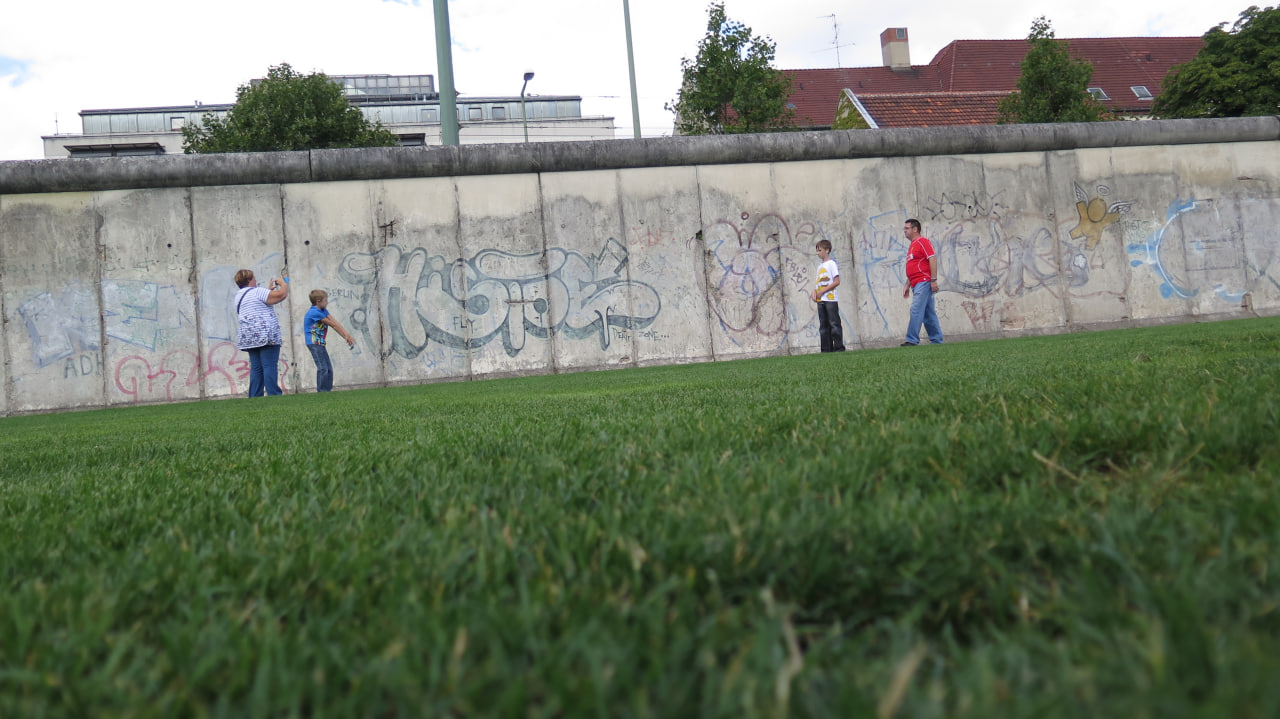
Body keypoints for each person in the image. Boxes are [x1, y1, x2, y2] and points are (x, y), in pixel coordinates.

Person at [233, 269, 288, 396]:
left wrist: (269, 291)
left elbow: (259, 304)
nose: (256, 280)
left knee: (257, 368)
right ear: (249, 280)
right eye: (254, 278)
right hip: (265, 334)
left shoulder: (238, 296)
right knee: (269, 365)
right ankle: (274, 394)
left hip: (249, 337)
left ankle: (255, 396)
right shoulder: (257, 291)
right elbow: (281, 295)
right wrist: (283, 283)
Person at [303, 289, 357, 392]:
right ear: (318, 301)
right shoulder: (314, 312)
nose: (327, 303)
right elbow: (333, 325)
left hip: (320, 343)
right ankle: (322, 391)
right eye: (325, 301)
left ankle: (327, 390)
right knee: (323, 368)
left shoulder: (323, 310)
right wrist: (346, 336)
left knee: (328, 368)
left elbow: (335, 322)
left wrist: (347, 335)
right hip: (314, 343)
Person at [901, 218, 944, 346]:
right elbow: (914, 266)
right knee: (928, 313)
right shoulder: (913, 245)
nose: (905, 231)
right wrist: (907, 284)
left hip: (924, 281)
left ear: (915, 229)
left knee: (916, 309)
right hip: (916, 283)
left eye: (907, 228)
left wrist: (933, 280)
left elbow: (932, 259)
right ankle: (936, 340)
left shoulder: (922, 242)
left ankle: (912, 339)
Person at [810, 239, 845, 352]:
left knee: (834, 324)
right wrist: (815, 292)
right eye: (817, 250)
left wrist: (823, 291)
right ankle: (826, 349)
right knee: (823, 326)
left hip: (830, 299)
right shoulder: (820, 267)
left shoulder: (831, 264)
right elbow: (819, 283)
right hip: (821, 300)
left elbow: (836, 281)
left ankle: (838, 347)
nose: (818, 253)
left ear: (827, 250)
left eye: (820, 250)